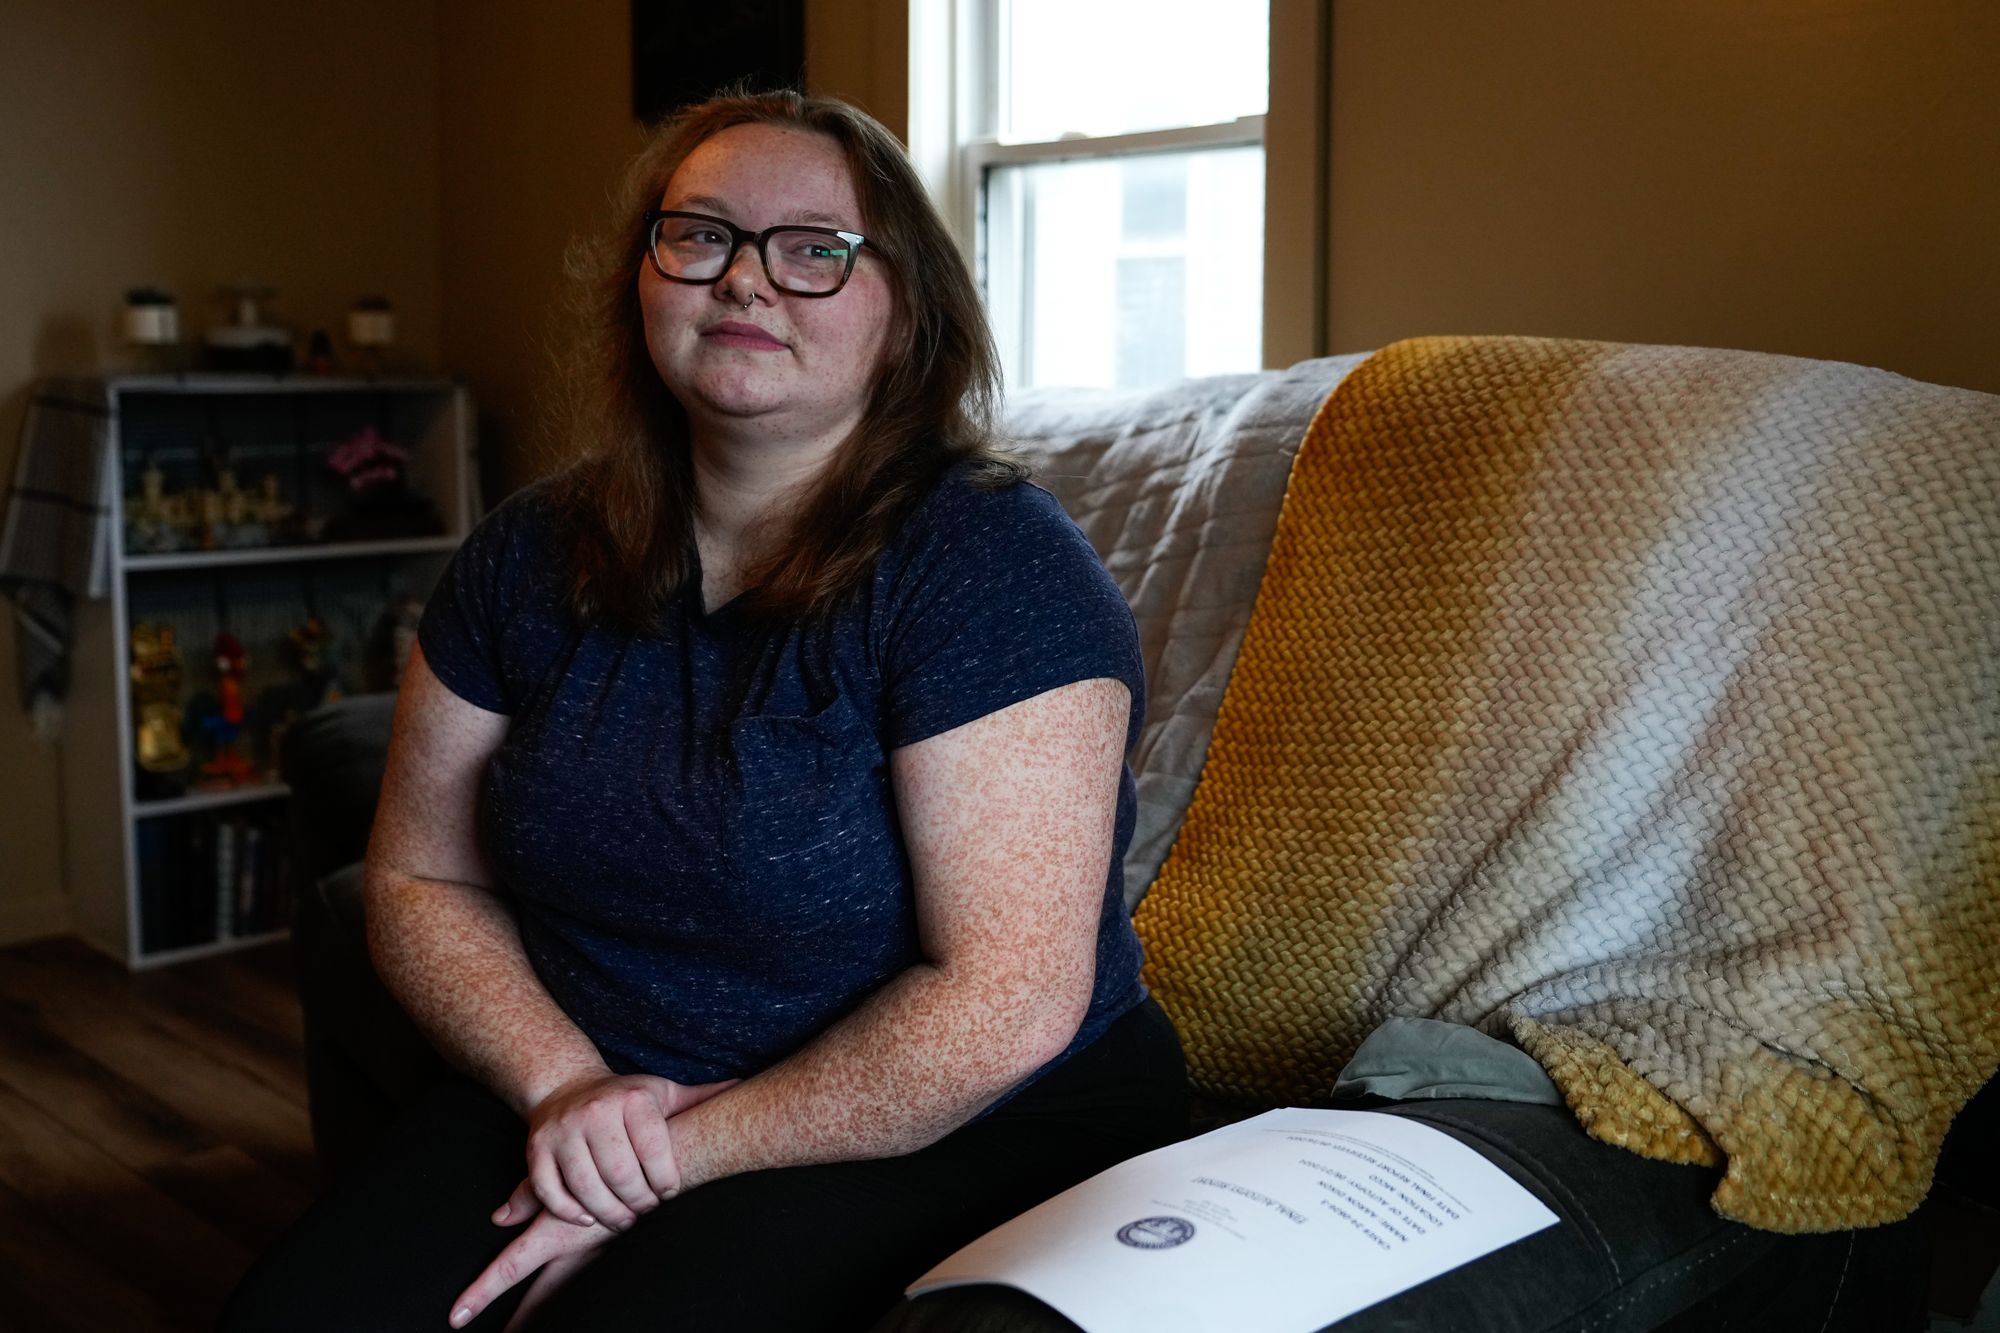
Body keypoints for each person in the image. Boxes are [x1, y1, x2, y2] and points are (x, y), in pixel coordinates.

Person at [221, 89, 1187, 1333]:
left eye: (813, 250)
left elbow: (998, 1002)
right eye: (701, 236)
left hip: (954, 1112)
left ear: (906, 314)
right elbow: (418, 877)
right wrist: (567, 1089)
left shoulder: (989, 569)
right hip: (596, 1081)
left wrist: (662, 1162)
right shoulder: (527, 554)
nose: (744, 280)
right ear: (643, 280)